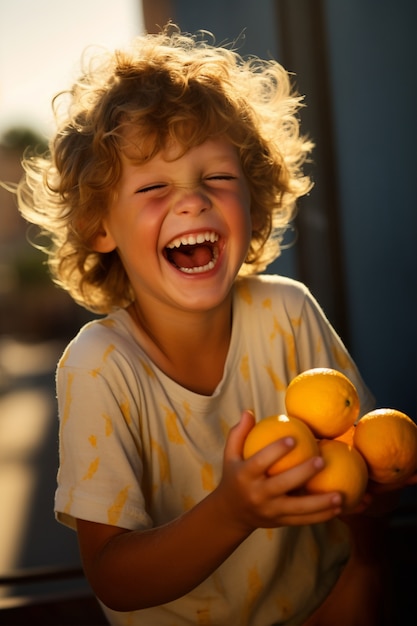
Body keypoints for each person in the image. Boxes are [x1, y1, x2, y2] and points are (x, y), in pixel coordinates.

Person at [15, 24, 408, 626]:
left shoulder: (289, 312)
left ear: (253, 200)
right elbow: (114, 576)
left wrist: (370, 525)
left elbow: (359, 479)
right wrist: (233, 510)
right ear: (101, 228)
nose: (193, 200)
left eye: (217, 177)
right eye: (152, 186)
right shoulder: (100, 365)